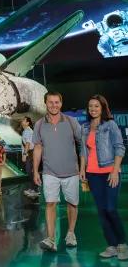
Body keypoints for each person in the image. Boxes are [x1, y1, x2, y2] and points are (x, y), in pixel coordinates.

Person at [79, 94, 127, 259]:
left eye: (96, 106)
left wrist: (115, 171)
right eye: (91, 106)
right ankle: (111, 245)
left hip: (109, 173)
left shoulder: (110, 124)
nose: (93, 109)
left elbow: (120, 148)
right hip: (93, 174)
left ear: (103, 108)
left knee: (111, 209)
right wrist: (82, 169)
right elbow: (83, 151)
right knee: (101, 211)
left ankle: (122, 244)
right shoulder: (84, 127)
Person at [33, 91, 82, 251]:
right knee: (50, 203)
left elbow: (82, 145)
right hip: (49, 172)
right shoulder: (39, 124)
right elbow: (38, 148)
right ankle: (51, 238)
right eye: (50, 102)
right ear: (45, 103)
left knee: (72, 204)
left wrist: (83, 168)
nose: (54, 105)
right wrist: (35, 170)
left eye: (57, 102)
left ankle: (70, 233)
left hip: (71, 172)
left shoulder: (72, 121)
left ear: (61, 103)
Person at [21, 117, 39, 198]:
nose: (21, 121)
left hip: (30, 154)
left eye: (23, 120)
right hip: (29, 153)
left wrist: (24, 154)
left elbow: (28, 143)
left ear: (27, 123)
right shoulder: (26, 131)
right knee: (30, 171)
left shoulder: (28, 131)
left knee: (30, 171)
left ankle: (35, 190)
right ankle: (33, 188)